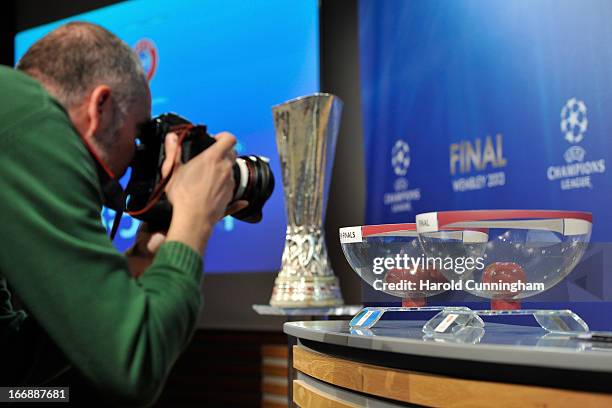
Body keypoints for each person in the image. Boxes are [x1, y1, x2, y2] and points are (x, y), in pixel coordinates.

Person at [0, 21, 245, 405]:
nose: (134, 158)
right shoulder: (37, 122)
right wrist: (192, 222)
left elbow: (10, 368)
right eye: (136, 136)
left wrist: (135, 266)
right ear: (100, 106)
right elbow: (132, 368)